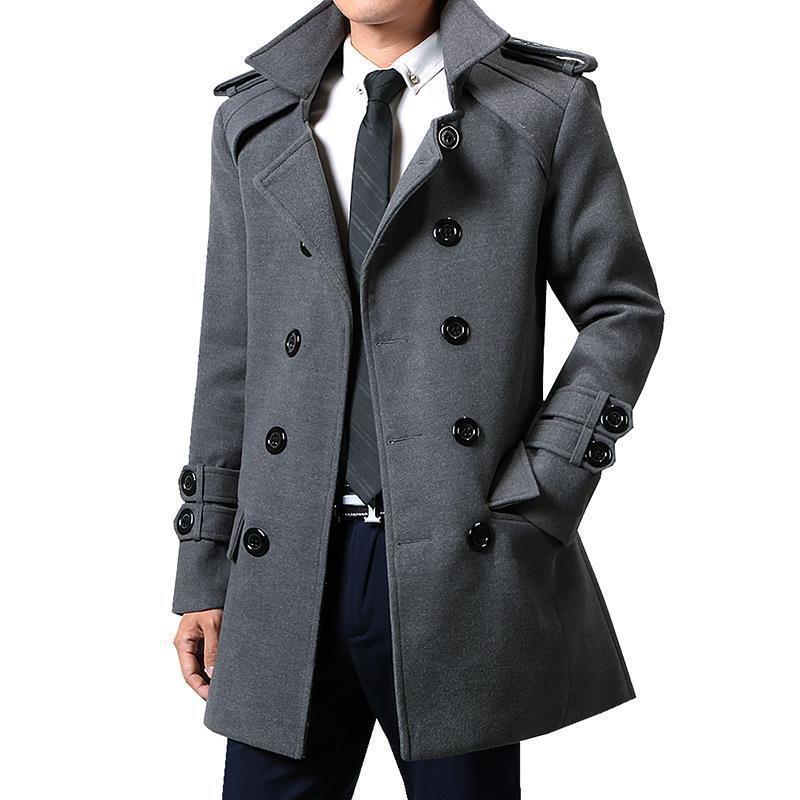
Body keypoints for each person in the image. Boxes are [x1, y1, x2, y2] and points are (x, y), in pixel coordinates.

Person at [171, 0, 664, 797]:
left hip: (460, 558)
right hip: (285, 563)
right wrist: (203, 567)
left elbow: (622, 310)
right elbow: (231, 350)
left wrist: (543, 485)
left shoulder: (540, 106)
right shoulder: (254, 117)